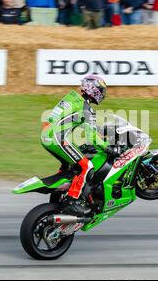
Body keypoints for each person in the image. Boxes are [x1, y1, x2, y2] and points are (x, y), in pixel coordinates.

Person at [41, 75, 110, 216]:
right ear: (94, 90)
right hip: (57, 138)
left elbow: (52, 117)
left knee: (71, 166)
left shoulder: (70, 98)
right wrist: (108, 147)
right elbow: (93, 138)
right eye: (101, 90)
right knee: (87, 166)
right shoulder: (87, 108)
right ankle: (72, 201)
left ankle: (57, 194)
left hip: (46, 135)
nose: (103, 94)